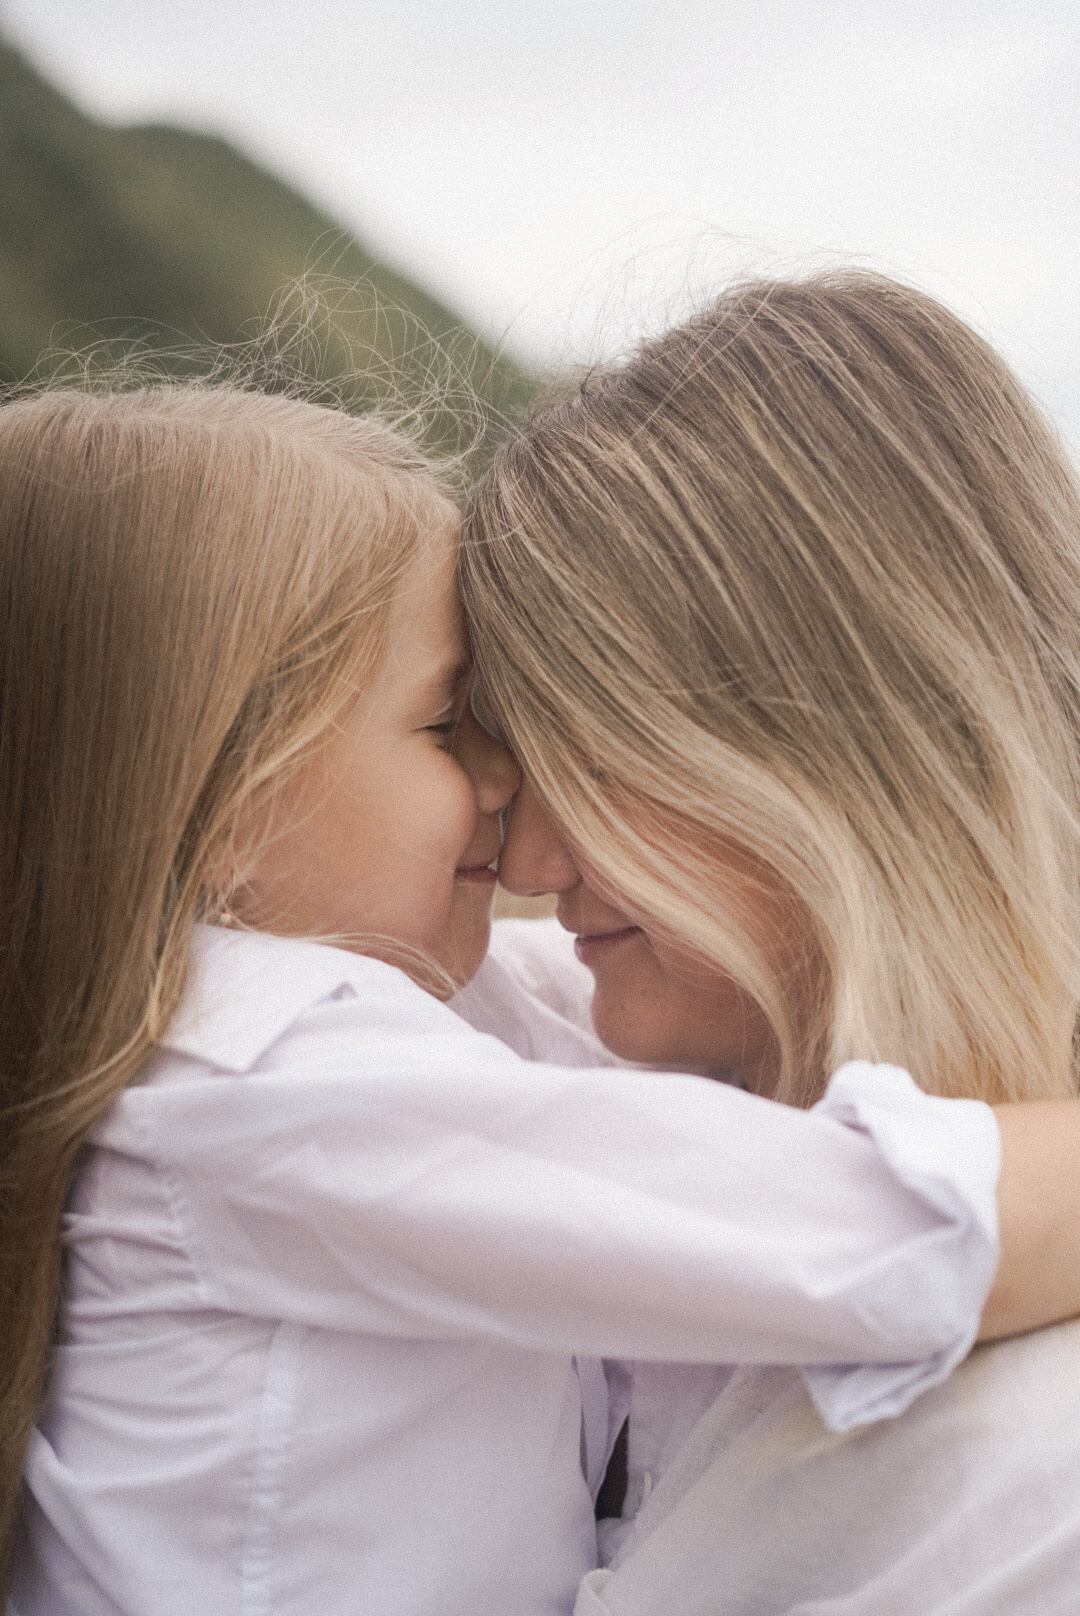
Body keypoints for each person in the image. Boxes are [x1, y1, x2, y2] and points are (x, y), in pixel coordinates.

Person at [0, 381, 1073, 1616]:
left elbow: (586, 1004)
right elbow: (867, 1236)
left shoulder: (327, 1031)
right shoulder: (274, 1073)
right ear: (230, 803)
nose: (509, 795)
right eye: (450, 725)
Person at [460, 269, 1080, 1612]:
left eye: (599, 751)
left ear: (861, 747)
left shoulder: (1036, 1491)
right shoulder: (540, 1060)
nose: (528, 863)